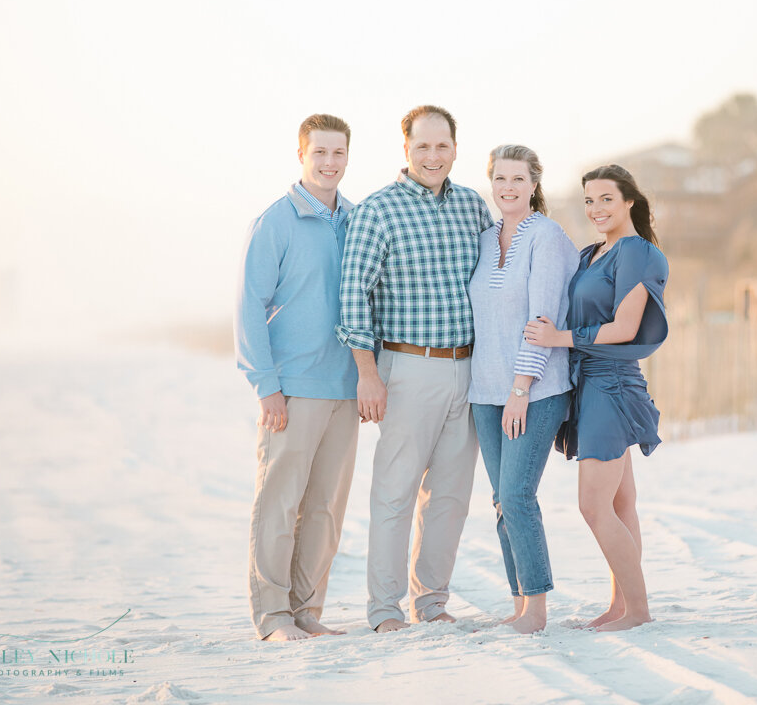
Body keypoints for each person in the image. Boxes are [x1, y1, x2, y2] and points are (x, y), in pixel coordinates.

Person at [337, 105, 494, 633]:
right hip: (406, 368)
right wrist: (367, 373)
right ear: (406, 149)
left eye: (442, 146)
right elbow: (352, 296)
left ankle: (432, 604)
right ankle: (384, 611)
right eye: (422, 146)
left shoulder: (473, 206)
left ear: (455, 148)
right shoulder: (378, 211)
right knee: (395, 492)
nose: (433, 156)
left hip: (467, 370)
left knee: (450, 497)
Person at [524, 163, 669, 633]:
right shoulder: (592, 254)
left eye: (606, 198)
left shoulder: (636, 252)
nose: (596, 208)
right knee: (622, 505)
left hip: (611, 384)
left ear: (629, 200)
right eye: (589, 200)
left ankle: (640, 612)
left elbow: (625, 329)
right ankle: (620, 607)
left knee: (593, 506)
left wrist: (559, 338)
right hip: (587, 384)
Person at [235, 114, 359, 642]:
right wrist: (266, 386)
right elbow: (248, 307)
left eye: (338, 153)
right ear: (302, 156)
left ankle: (307, 610)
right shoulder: (276, 221)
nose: (329, 163)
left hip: (346, 389)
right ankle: (272, 616)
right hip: (293, 387)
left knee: (326, 509)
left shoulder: (356, 220)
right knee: (279, 504)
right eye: (320, 153)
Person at [468, 144, 576, 635]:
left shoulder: (547, 237)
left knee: (516, 496)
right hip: (485, 392)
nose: (507, 187)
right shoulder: (487, 238)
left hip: (533, 390)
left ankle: (536, 610)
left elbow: (543, 318)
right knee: (500, 501)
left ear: (534, 184)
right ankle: (517, 605)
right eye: (499, 179)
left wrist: (520, 387)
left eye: (518, 179)